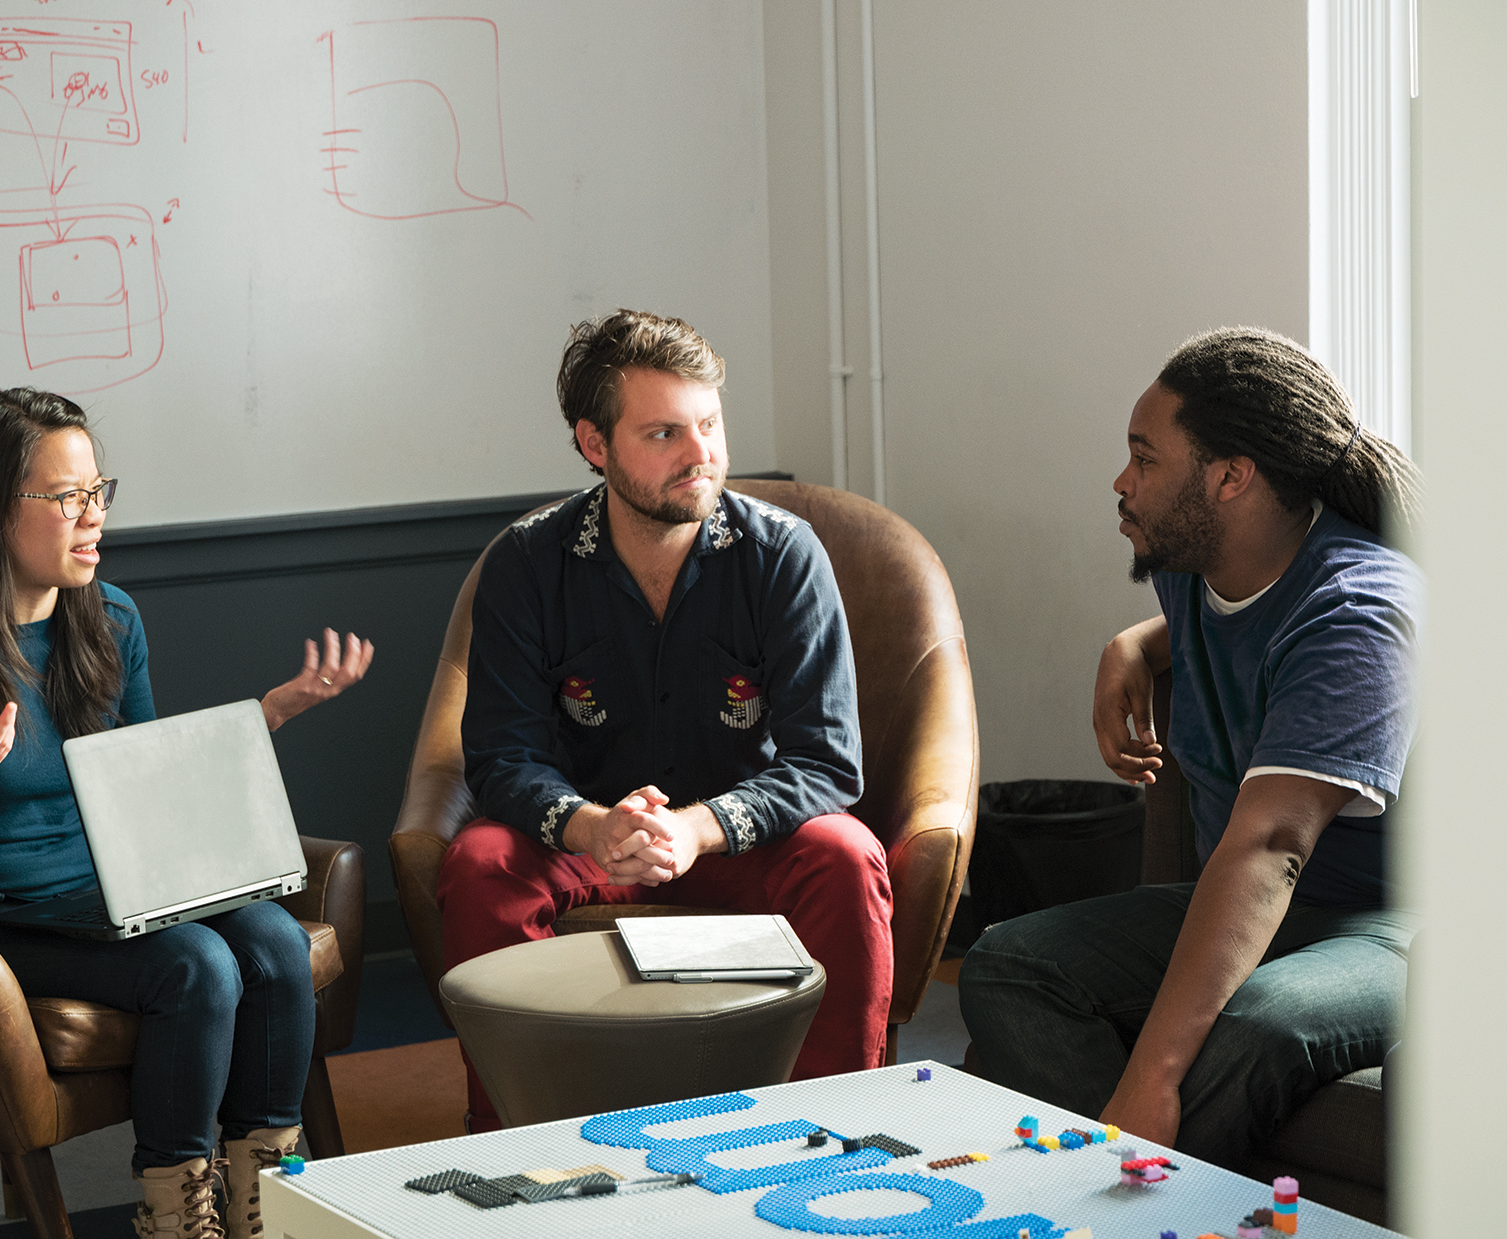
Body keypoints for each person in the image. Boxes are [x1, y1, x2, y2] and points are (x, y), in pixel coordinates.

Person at [0, 389, 375, 1239]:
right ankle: (176, 1214)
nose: (93, 518)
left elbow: (143, 793)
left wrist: (257, 725)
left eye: (99, 492)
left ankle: (266, 1204)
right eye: (67, 499)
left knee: (277, 940)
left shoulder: (111, 618)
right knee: (196, 966)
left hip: (92, 897)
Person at [958, 327, 1422, 1172]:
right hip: (1254, 905)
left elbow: (1270, 847)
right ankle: (1115, 1193)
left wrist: (1154, 1078)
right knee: (1007, 964)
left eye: (1145, 458)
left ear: (1229, 476)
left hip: (1388, 924)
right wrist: (1136, 644)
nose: (1121, 482)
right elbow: (1233, 625)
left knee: (1260, 1023)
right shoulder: (1191, 555)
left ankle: (1115, 1200)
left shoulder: (1358, 612)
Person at [437, 309, 893, 1130]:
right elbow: (501, 755)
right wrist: (590, 826)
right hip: (585, 837)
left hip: (734, 837)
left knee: (846, 854)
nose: (703, 455)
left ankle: (837, 1131)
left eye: (711, 424)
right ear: (594, 443)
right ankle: (518, 1137)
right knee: (479, 863)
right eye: (664, 433)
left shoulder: (784, 555)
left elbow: (827, 762)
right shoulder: (526, 561)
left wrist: (698, 828)